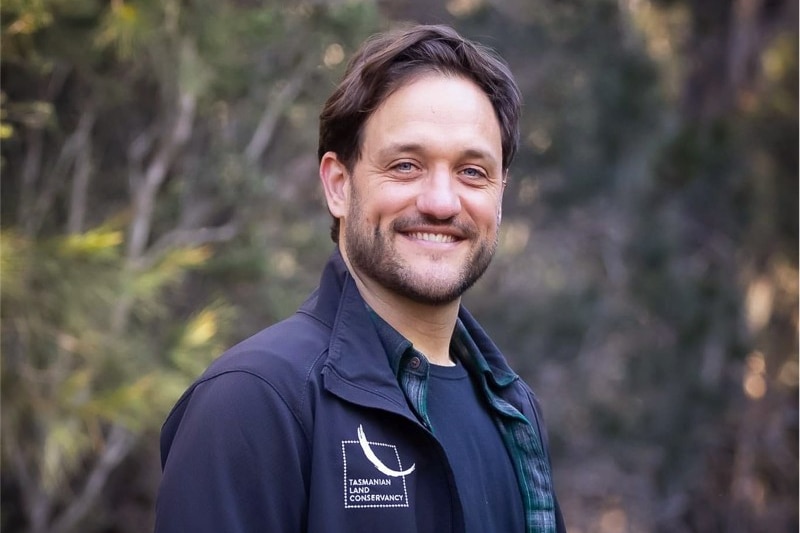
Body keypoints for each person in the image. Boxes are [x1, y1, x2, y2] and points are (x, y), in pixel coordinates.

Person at [155, 23, 565, 533]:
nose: (441, 202)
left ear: (501, 193)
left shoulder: (513, 413)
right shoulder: (254, 401)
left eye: (472, 172)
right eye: (406, 165)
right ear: (337, 184)